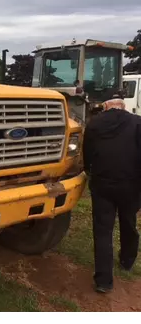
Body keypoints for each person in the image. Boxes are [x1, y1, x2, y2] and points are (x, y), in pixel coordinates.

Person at [83, 96, 141, 293]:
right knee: (129, 222)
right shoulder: (137, 122)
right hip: (131, 185)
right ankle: (127, 260)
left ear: (106, 107)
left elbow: (87, 153)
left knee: (103, 231)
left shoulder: (94, 123)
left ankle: (103, 281)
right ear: (123, 107)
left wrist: (88, 170)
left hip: (102, 185)